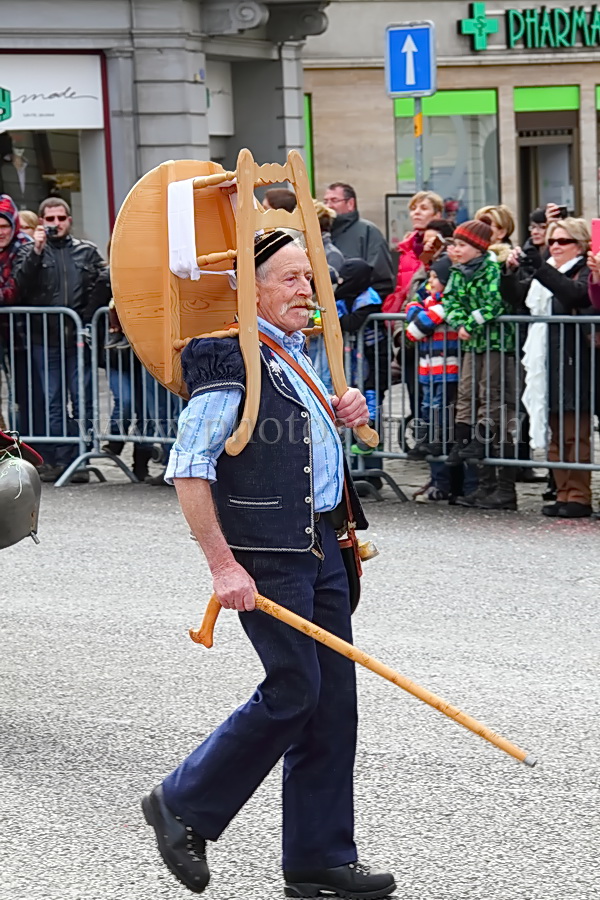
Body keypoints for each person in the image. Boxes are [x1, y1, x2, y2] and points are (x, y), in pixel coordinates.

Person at [141, 230, 396, 900]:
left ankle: (318, 857)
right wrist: (224, 568)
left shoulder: (305, 354)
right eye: (290, 279)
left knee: (332, 703)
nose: (306, 290)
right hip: (267, 553)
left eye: (309, 279)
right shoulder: (228, 354)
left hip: (325, 545)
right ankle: (181, 803)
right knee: (294, 690)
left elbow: (298, 452)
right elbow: (188, 470)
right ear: (250, 289)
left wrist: (344, 414)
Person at [14, 197, 110, 483]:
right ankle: (59, 459)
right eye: (50, 219)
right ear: (42, 221)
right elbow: (18, 287)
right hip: (45, 339)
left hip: (77, 340)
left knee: (82, 400)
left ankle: (81, 457)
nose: (55, 224)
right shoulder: (30, 251)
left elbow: (104, 281)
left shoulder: (87, 251)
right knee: (53, 401)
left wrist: (86, 318)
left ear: (69, 220)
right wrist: (37, 251)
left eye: (60, 218)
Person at [503, 218, 593, 518]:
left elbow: (575, 294)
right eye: (552, 241)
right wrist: (512, 271)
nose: (555, 246)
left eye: (563, 242)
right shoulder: (549, 271)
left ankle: (579, 496)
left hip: (575, 360)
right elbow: (516, 296)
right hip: (546, 360)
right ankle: (563, 492)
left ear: (579, 245)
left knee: (574, 434)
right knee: (555, 432)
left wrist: (541, 266)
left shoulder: (584, 270)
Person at [443, 218, 517, 511]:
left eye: (462, 245)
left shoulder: (492, 268)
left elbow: (496, 302)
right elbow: (449, 302)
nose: (456, 250)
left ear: (478, 247)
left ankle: (505, 488)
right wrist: (461, 322)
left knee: (492, 401)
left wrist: (471, 322)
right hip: (472, 343)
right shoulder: (457, 272)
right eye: (455, 244)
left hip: (496, 343)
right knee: (467, 398)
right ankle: (483, 484)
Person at [404, 255, 461, 500]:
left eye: (436, 277)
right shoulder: (431, 303)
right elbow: (411, 315)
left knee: (441, 415)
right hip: (427, 370)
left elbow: (415, 329)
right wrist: (434, 310)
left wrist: (434, 311)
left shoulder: (450, 304)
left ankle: (447, 480)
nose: (430, 281)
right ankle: (437, 475)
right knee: (428, 411)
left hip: (446, 371)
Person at [324, 182, 394, 301]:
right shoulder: (321, 233)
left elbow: (382, 279)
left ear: (350, 203)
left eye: (334, 200)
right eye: (325, 201)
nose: (328, 206)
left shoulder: (368, 232)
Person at [0, 194, 34, 432]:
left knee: (22, 395)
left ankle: (23, 446)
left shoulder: (25, 246)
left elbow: (14, 292)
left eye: (4, 226)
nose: (0, 231)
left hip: (22, 334)